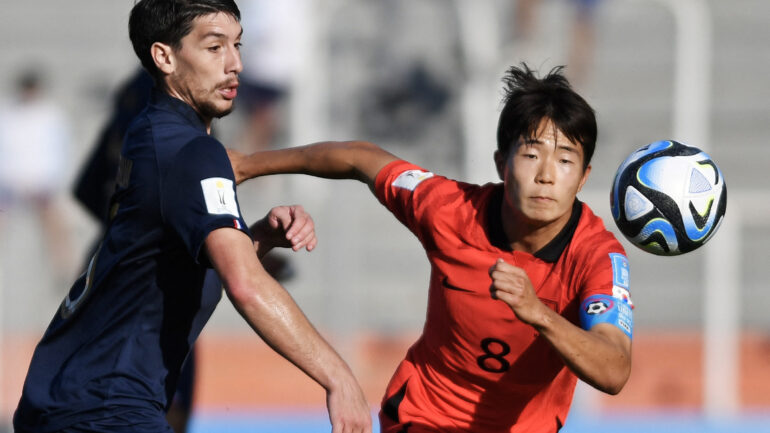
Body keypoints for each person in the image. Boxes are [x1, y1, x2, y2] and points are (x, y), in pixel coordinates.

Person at [13, 1, 371, 433]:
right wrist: (338, 377)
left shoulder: (150, 132)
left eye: (237, 45)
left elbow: (163, 258)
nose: (235, 63)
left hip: (70, 398)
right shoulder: (191, 152)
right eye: (214, 47)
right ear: (164, 56)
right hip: (105, 409)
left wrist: (252, 238)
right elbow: (245, 284)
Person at [229, 64, 634, 432]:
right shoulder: (448, 209)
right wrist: (248, 164)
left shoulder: (597, 255)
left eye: (565, 160)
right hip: (424, 418)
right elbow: (359, 158)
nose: (546, 176)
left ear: (583, 178)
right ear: (501, 163)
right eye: (531, 154)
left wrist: (538, 314)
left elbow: (614, 369)